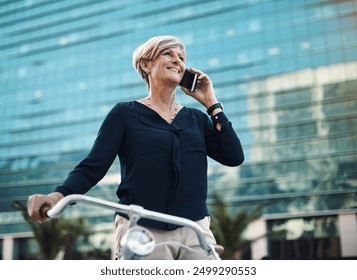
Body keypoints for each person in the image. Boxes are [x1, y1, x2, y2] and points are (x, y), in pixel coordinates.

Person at [27, 35, 244, 260]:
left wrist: (211, 103)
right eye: (167, 54)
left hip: (195, 230)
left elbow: (233, 156)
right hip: (143, 230)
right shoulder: (125, 114)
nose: (177, 61)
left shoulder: (196, 119)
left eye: (181, 57)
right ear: (146, 64)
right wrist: (57, 196)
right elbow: (92, 167)